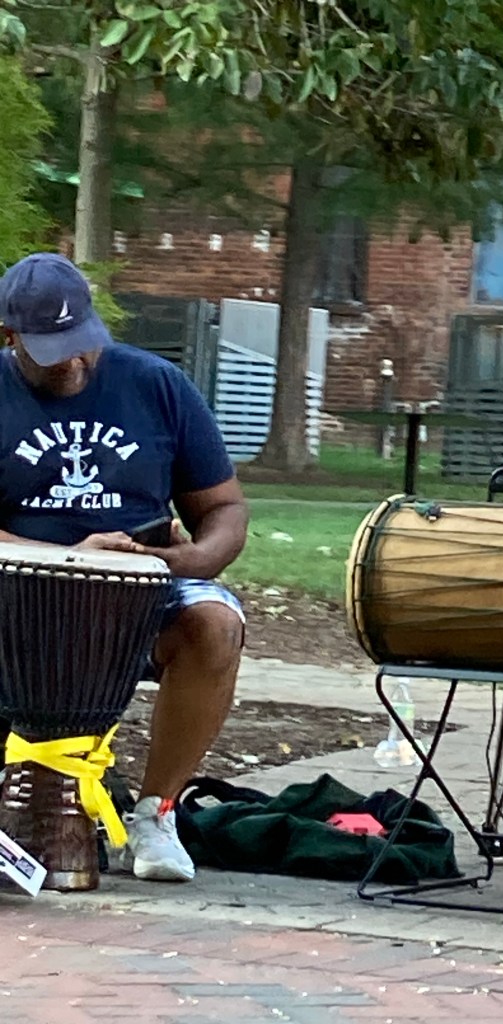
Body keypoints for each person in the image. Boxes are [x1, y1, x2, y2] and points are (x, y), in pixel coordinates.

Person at [0, 251, 249, 883]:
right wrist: (63, 559)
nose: (74, 362)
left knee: (215, 623)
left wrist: (180, 561)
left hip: (142, 591)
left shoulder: (156, 384)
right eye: (53, 350)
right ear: (10, 337)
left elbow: (224, 508)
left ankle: (156, 813)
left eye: (81, 343)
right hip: (14, 595)